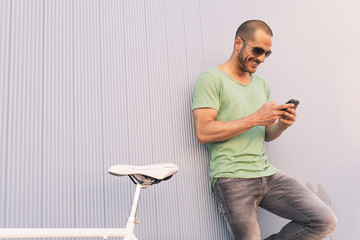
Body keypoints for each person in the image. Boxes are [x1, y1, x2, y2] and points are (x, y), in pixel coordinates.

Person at [191, 20, 338, 240]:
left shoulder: (261, 84)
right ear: (238, 43)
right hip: (232, 178)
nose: (261, 58)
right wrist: (255, 118)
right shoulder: (211, 79)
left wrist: (282, 125)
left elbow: (267, 134)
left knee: (324, 220)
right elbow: (204, 132)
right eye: (257, 50)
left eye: (266, 54)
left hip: (267, 174)